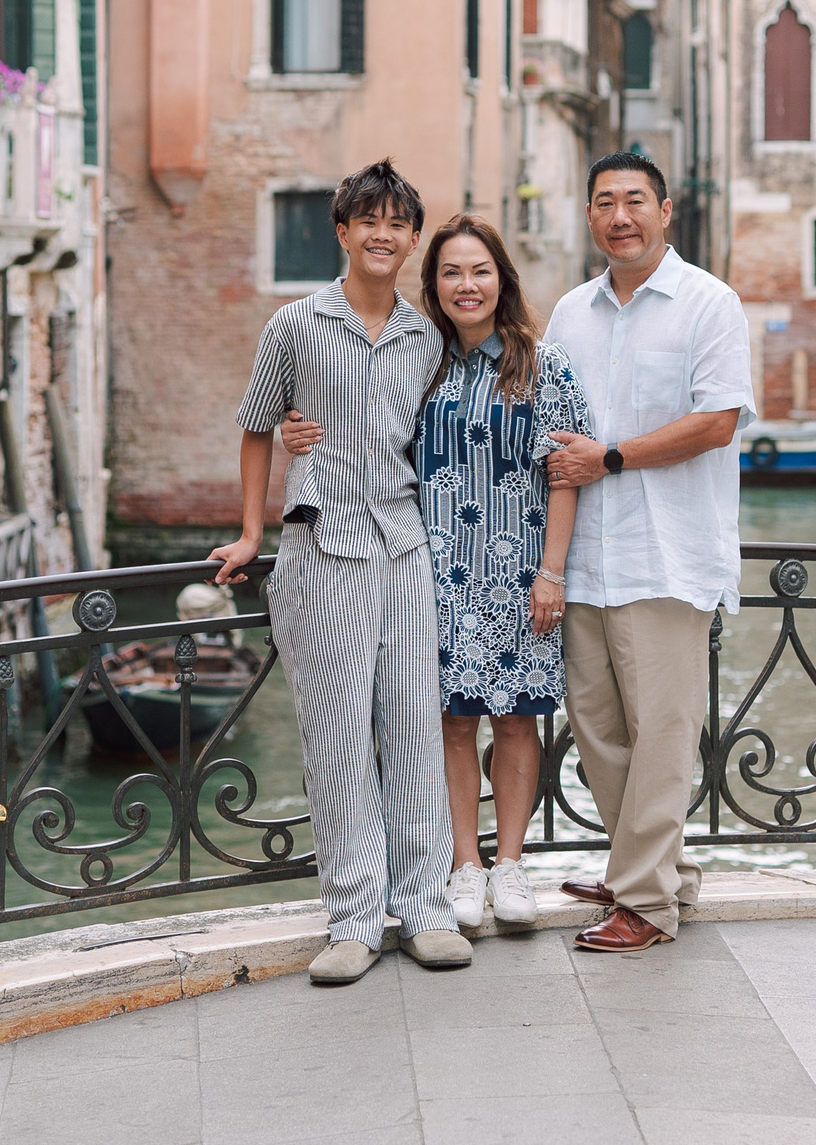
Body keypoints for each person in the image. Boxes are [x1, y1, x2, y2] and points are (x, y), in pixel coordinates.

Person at [280, 216, 591, 933]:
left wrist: (551, 573)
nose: (466, 285)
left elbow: (566, 474)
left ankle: (509, 863)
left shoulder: (544, 365)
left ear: (502, 279)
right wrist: (298, 430)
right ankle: (463, 864)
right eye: (451, 272)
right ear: (435, 283)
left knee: (516, 720)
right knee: (448, 723)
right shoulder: (423, 358)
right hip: (431, 570)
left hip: (519, 574)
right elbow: (358, 420)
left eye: (480, 271)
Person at [209, 160, 473, 985]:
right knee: (336, 738)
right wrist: (251, 532)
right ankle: (355, 919)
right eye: (369, 220)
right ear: (343, 230)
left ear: (413, 237)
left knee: (414, 729)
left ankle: (426, 908)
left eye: (397, 222)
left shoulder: (428, 337)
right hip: (323, 548)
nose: (382, 234)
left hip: (407, 548)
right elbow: (257, 426)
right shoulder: (294, 325)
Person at [542, 151, 754, 952]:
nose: (620, 216)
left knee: (663, 735)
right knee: (599, 731)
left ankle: (645, 902)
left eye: (635, 200)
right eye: (605, 202)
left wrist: (612, 456)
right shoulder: (570, 312)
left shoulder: (709, 302)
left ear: (665, 211)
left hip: (669, 555)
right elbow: (544, 417)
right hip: (584, 558)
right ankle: (655, 869)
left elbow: (718, 422)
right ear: (589, 216)